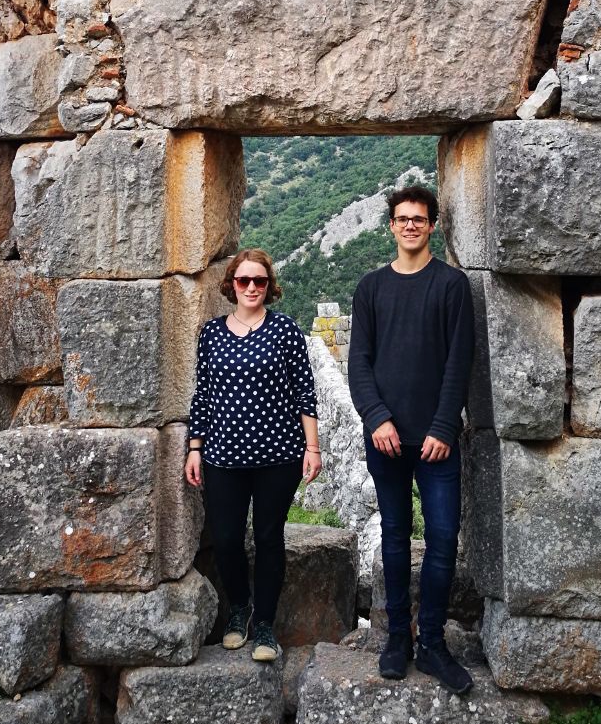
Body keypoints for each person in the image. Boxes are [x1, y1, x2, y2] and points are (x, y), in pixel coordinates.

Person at [348, 184, 475, 693]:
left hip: (435, 441)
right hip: (385, 441)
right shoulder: (371, 288)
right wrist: (376, 418)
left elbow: (458, 361)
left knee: (443, 538)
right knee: (395, 538)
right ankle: (398, 637)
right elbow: (359, 363)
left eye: (419, 219)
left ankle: (434, 644)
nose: (410, 226)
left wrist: (444, 426)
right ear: (391, 225)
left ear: (432, 225)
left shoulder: (451, 286)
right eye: (402, 218)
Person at [185, 248, 321, 663]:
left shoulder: (285, 331)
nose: (251, 288)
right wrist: (195, 448)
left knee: (268, 537)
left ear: (269, 286)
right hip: (222, 457)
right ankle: (238, 609)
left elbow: (304, 392)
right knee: (225, 538)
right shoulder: (211, 334)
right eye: (243, 281)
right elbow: (202, 395)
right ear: (231, 285)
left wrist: (312, 447)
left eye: (259, 281)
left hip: (278, 456)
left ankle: (264, 623)